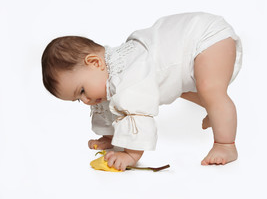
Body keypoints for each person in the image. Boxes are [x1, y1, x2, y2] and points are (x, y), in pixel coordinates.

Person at [41, 12, 243, 171]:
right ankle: (216, 111)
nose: (85, 100)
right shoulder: (107, 75)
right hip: (180, 57)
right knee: (179, 90)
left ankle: (226, 145)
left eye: (82, 90)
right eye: (78, 99)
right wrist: (110, 139)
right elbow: (112, 109)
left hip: (205, 37)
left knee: (211, 88)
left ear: (95, 62)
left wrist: (130, 154)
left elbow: (137, 115)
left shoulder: (129, 75)